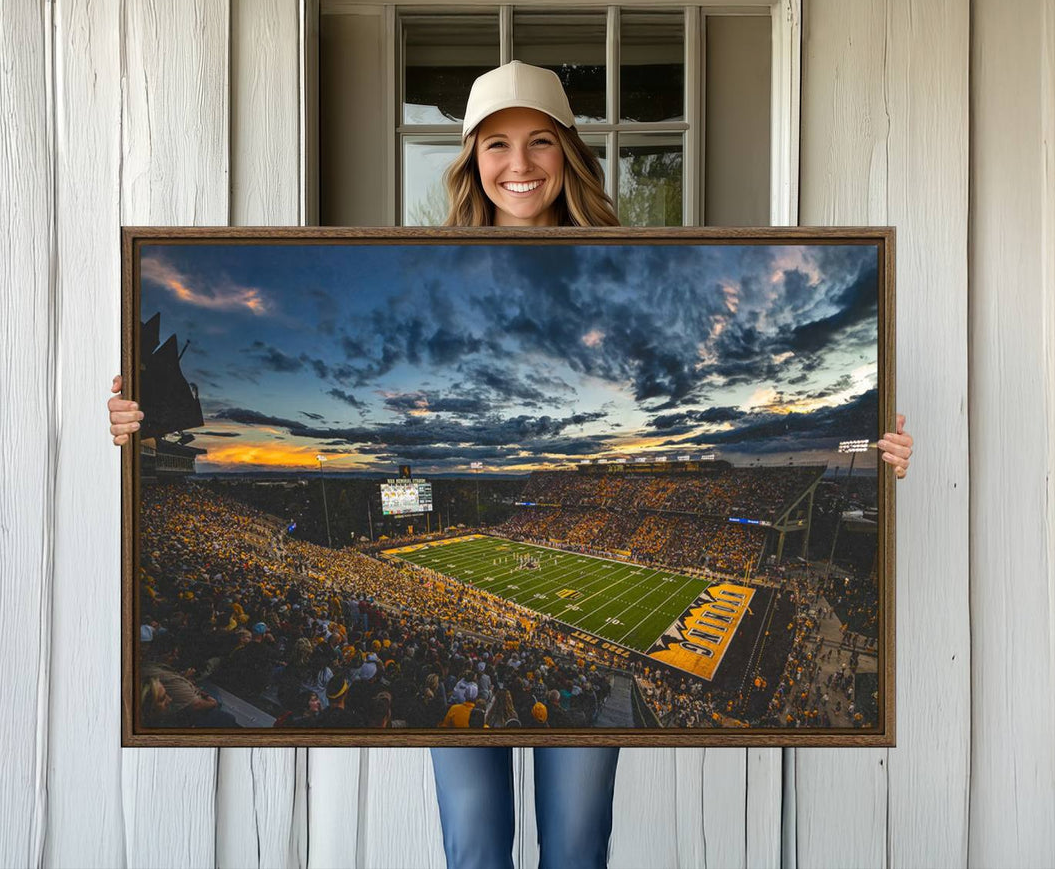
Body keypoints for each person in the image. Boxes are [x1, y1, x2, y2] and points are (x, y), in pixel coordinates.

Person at [107, 60, 915, 869]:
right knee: (475, 843)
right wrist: (134, 420)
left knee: (574, 844)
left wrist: (878, 452)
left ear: (568, 153)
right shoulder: (427, 271)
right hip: (474, 677)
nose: (519, 164)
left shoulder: (625, 261)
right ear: (471, 160)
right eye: (496, 144)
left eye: (539, 142)